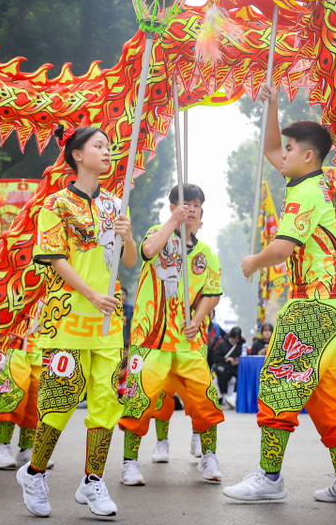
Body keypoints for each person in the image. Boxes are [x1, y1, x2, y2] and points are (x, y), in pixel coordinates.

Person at [224, 82, 336, 505]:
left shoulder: (303, 194)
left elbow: (283, 248)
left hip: (314, 304)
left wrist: (252, 262)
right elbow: (271, 150)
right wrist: (271, 106)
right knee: (323, 390)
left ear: (307, 156)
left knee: (280, 382)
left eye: (290, 147)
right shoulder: (330, 181)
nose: (280, 154)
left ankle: (269, 478)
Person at [16, 124, 137, 518]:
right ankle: (34, 473)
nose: (107, 152)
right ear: (77, 155)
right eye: (98, 146)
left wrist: (128, 235)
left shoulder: (117, 205)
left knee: (106, 404)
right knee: (59, 403)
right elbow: (54, 257)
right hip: (66, 320)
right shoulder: (55, 205)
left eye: (109, 146)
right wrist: (90, 294)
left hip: (107, 322)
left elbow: (131, 262)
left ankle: (93, 482)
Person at [118, 183, 225, 486]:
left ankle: (209, 457)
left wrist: (199, 318)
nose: (190, 209)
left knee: (206, 400)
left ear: (201, 211)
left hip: (189, 340)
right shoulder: (158, 233)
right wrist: (172, 223)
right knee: (139, 401)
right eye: (184, 204)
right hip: (151, 338)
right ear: (172, 208)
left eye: (195, 205)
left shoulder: (207, 255)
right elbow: (147, 251)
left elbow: (211, 294)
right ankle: (129, 463)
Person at [0, 301, 54, 471]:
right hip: (11, 342)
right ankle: (1, 446)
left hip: (41, 343)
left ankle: (27, 448)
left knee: (37, 398)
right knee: (12, 394)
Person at [210, 326, 244, 408]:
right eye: (234, 338)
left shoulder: (240, 345)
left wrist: (236, 360)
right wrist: (226, 359)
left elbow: (242, 356)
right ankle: (224, 395)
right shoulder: (222, 344)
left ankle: (234, 396)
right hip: (223, 366)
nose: (235, 340)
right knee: (222, 374)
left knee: (240, 375)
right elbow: (215, 357)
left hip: (235, 367)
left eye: (237, 339)